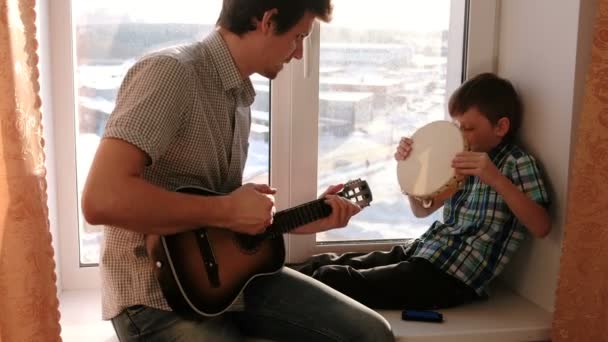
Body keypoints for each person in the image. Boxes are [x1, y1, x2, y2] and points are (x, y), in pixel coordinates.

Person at [81, 1, 394, 341]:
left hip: (225, 288)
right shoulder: (171, 73)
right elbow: (101, 199)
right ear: (268, 20)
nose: (299, 53)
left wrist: (307, 219)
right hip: (154, 299)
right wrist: (228, 209)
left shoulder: (239, 98)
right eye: (298, 37)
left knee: (372, 334)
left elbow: (217, 230)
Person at [294, 73, 551, 310]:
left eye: (468, 128)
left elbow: (541, 226)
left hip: (452, 277)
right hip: (425, 252)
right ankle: (270, 288)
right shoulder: (460, 160)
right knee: (324, 263)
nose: (460, 134)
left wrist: (495, 178)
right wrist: (411, 166)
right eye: (457, 125)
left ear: (501, 127)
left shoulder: (517, 163)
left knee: (336, 280)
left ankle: (283, 306)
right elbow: (421, 210)